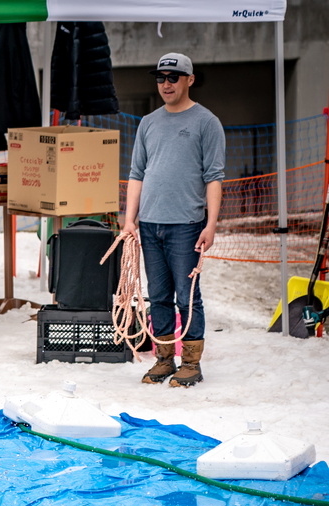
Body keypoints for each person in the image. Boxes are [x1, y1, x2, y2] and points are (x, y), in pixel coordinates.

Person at [122, 52, 224, 388]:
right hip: (150, 225)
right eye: (161, 78)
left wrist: (210, 224)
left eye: (173, 77)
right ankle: (165, 360)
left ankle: (191, 363)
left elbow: (214, 177)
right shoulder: (148, 122)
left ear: (189, 80)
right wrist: (129, 219)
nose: (166, 83)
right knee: (160, 295)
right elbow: (137, 173)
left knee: (188, 296)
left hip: (187, 225)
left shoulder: (206, 122)